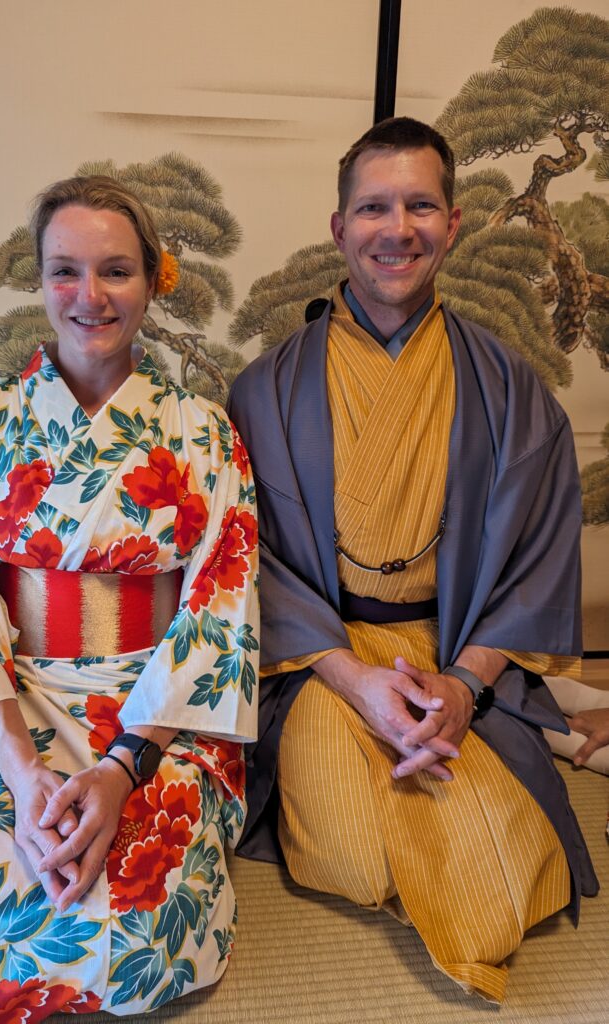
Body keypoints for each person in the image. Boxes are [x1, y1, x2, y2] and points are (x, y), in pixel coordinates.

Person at [227, 117, 598, 1003]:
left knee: (510, 877)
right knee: (348, 857)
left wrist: (463, 688)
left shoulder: (510, 389)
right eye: (373, 208)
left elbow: (538, 559)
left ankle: (489, 758)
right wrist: (356, 680)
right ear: (338, 227)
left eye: (420, 206)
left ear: (453, 223)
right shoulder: (262, 390)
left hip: (451, 652)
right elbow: (245, 562)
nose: (396, 230)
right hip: (322, 660)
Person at [0, 176, 259, 1022]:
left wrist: (124, 769)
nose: (90, 296)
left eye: (116, 270)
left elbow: (217, 607)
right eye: (65, 271)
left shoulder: (203, 432)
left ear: (154, 278)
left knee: (142, 895)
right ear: (41, 279)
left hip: (152, 709)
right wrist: (23, 774)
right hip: (13, 700)